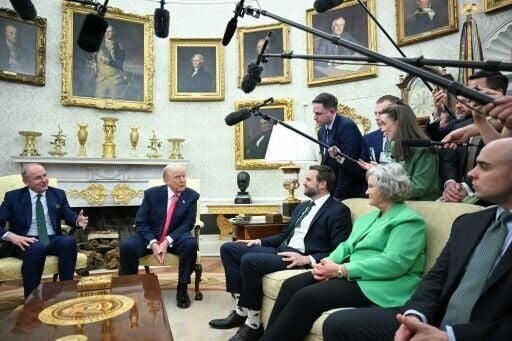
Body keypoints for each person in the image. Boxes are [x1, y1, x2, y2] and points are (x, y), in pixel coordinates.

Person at [322, 137, 512, 341]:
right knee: (338, 323)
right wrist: (415, 316)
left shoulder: (408, 219)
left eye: (484, 167)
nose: (470, 173)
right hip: (435, 318)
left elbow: (395, 262)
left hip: (481, 332)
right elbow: (436, 279)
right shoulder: (468, 223)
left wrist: (451, 336)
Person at [261, 163, 426, 341]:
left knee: (305, 298)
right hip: (349, 273)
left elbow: (394, 263)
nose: (366, 192)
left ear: (388, 188)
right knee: (290, 286)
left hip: (378, 283)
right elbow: (347, 246)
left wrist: (341, 270)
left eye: (371, 187)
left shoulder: (409, 221)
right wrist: (326, 264)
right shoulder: (369, 217)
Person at [208, 165, 352, 341]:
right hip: (281, 250)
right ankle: (241, 311)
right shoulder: (303, 206)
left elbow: (339, 249)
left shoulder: (338, 211)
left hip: (298, 258)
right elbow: (284, 235)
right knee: (229, 249)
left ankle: (253, 325)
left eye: (308, 180)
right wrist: (258, 241)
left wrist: (307, 259)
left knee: (250, 260)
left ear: (322, 184)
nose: (303, 183)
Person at [0, 163, 88, 298]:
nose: (44, 180)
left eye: (45, 175)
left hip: (51, 238)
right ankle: (32, 299)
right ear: (26, 181)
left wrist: (77, 220)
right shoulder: (13, 197)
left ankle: (66, 292)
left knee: (68, 242)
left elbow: (67, 213)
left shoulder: (57, 194)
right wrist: (11, 236)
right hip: (24, 240)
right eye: (37, 178)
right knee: (37, 247)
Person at [119, 164, 199, 309]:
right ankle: (129, 287)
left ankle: (182, 289)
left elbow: (188, 224)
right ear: (166, 180)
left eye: (184, 176)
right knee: (127, 246)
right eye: (177, 177)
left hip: (176, 237)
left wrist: (167, 241)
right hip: (152, 236)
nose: (182, 181)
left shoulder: (191, 196)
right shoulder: (152, 194)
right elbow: (141, 222)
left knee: (191, 244)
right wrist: (154, 243)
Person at [360, 102, 441, 200]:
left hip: (422, 206)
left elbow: (418, 188)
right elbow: (390, 173)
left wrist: (384, 179)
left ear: (398, 123)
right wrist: (378, 171)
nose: (382, 130)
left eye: (384, 124)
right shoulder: (391, 144)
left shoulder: (425, 150)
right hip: (399, 202)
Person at [314, 93, 365, 200]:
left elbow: (347, 166)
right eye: (314, 113)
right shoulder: (321, 131)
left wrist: (337, 197)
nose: (314, 117)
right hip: (330, 190)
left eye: (318, 113)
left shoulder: (347, 127)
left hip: (349, 192)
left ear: (332, 112)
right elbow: (325, 163)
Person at [360, 95, 400, 164]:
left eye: (381, 113)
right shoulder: (368, 139)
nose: (377, 118)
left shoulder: (410, 138)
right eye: (376, 114)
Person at [92, 25, 127, 99]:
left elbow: (120, 63)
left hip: (114, 80)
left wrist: (109, 62)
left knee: (116, 102)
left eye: (109, 31)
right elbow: (93, 59)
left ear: (114, 33)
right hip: (101, 79)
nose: (107, 33)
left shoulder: (119, 46)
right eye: (105, 31)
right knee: (98, 102)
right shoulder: (98, 45)